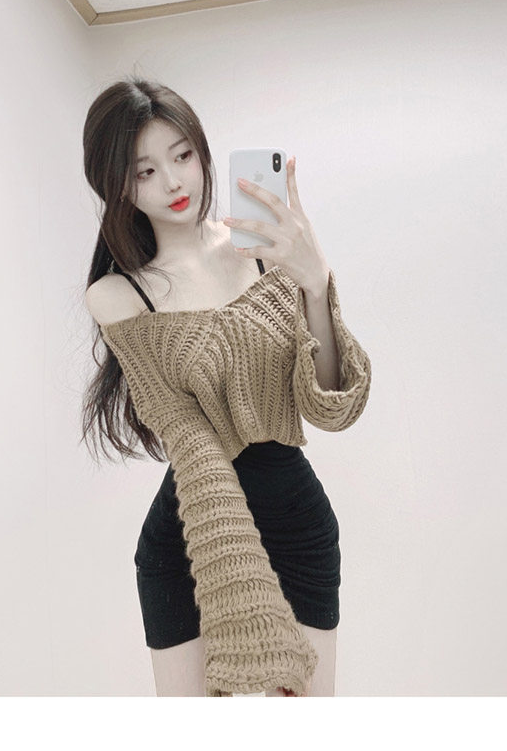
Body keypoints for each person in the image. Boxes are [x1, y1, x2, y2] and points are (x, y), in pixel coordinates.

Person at [80, 77, 372, 696]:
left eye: (182, 155)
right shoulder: (118, 297)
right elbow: (187, 436)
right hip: (191, 536)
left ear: (203, 151)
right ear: (118, 188)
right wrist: (237, 570)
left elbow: (331, 406)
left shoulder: (264, 255)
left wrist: (315, 281)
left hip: (297, 526)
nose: (173, 182)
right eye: (145, 172)